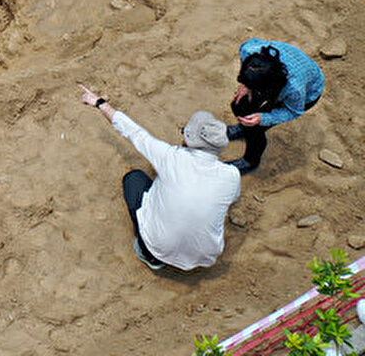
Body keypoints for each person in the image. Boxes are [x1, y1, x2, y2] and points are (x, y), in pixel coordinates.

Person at [80, 84, 240, 271]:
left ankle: (148, 254)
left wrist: (99, 102)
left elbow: (134, 133)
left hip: (158, 247)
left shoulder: (171, 157)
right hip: (204, 256)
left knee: (133, 178)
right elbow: (231, 199)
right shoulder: (232, 175)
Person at [226, 38, 324, 174]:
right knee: (240, 104)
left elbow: (293, 111)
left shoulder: (294, 89)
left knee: (256, 129)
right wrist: (246, 84)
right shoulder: (249, 50)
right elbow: (245, 53)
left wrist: (264, 118)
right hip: (273, 78)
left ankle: (250, 161)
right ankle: (243, 129)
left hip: (309, 91)